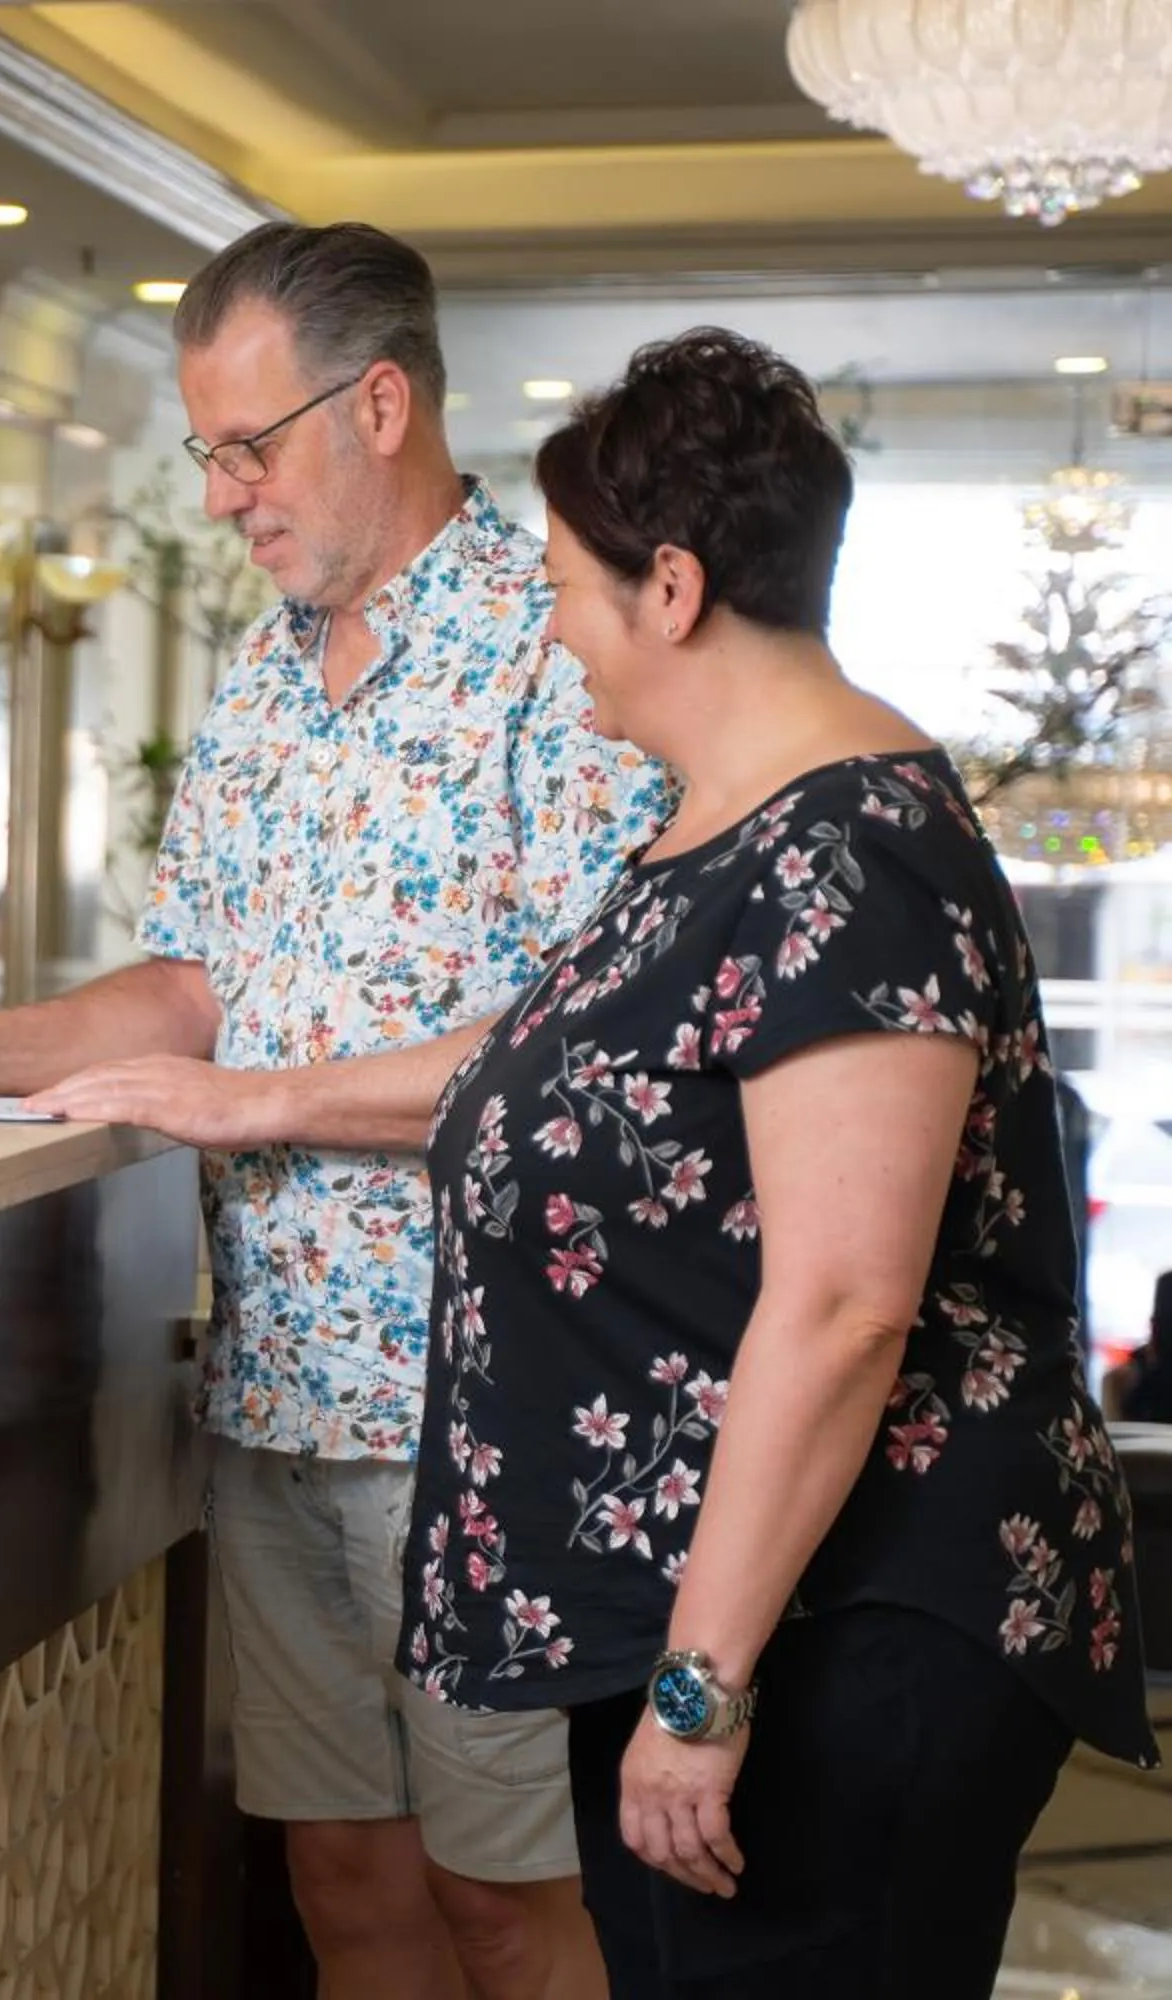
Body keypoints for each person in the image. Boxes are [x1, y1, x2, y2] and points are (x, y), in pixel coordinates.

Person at [0, 221, 666, 2000]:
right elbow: (198, 978)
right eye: (202, 454)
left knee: (510, 1906)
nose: (219, 497)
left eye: (246, 448)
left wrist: (256, 1094)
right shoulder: (265, 683)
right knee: (339, 1889)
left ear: (380, 405)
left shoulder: (560, 659)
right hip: (275, 1389)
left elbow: (564, 1051)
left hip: (478, 1415)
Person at [396, 329, 1154, 1998]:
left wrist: (698, 1690)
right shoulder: (721, 824)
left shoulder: (853, 846)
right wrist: (242, 1095)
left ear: (669, 589)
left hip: (841, 1630)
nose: (553, 623)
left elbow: (840, 1304)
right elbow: (601, 1104)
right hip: (742, 1622)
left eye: (565, 584)